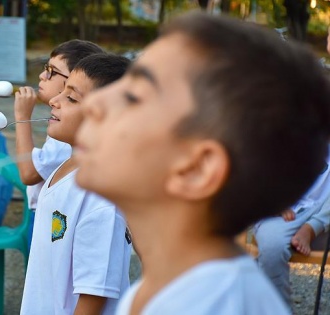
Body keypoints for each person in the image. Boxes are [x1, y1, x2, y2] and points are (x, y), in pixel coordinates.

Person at [73, 12, 330, 315]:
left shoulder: (212, 305)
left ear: (197, 169)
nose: (92, 103)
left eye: (134, 95)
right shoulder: (168, 287)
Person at [20, 53, 132, 315]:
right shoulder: (65, 169)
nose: (55, 101)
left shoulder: (100, 198)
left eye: (71, 98)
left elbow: (93, 297)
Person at [13, 40, 105, 245]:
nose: (42, 76)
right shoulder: (63, 127)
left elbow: (28, 173)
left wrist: (22, 116)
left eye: (52, 71)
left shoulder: (67, 135)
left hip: (51, 219)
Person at [254, 149, 330, 307]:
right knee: (271, 247)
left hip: (325, 216)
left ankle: (311, 228)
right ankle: (276, 308)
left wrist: (313, 225)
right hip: (286, 212)